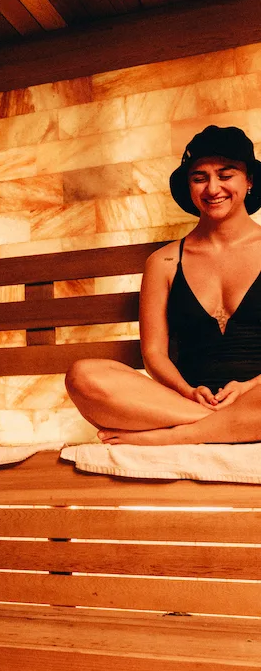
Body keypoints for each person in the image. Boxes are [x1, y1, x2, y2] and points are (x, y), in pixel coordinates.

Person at [65, 125, 261, 445]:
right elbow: (154, 353)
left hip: (257, 394)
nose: (213, 188)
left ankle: (176, 437)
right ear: (189, 185)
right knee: (84, 375)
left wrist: (249, 387)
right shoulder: (164, 262)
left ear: (249, 180)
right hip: (183, 403)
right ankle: (225, 428)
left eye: (226, 175)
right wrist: (187, 391)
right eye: (200, 177)